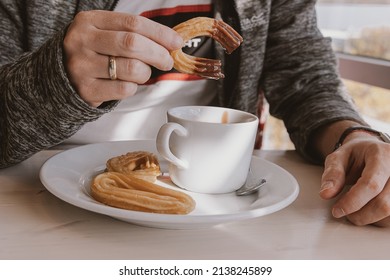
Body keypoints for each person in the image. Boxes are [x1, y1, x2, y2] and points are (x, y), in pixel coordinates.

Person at [1, 0, 389, 227]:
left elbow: (306, 78)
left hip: (219, 213)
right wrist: (53, 79)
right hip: (39, 200)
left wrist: (353, 137)